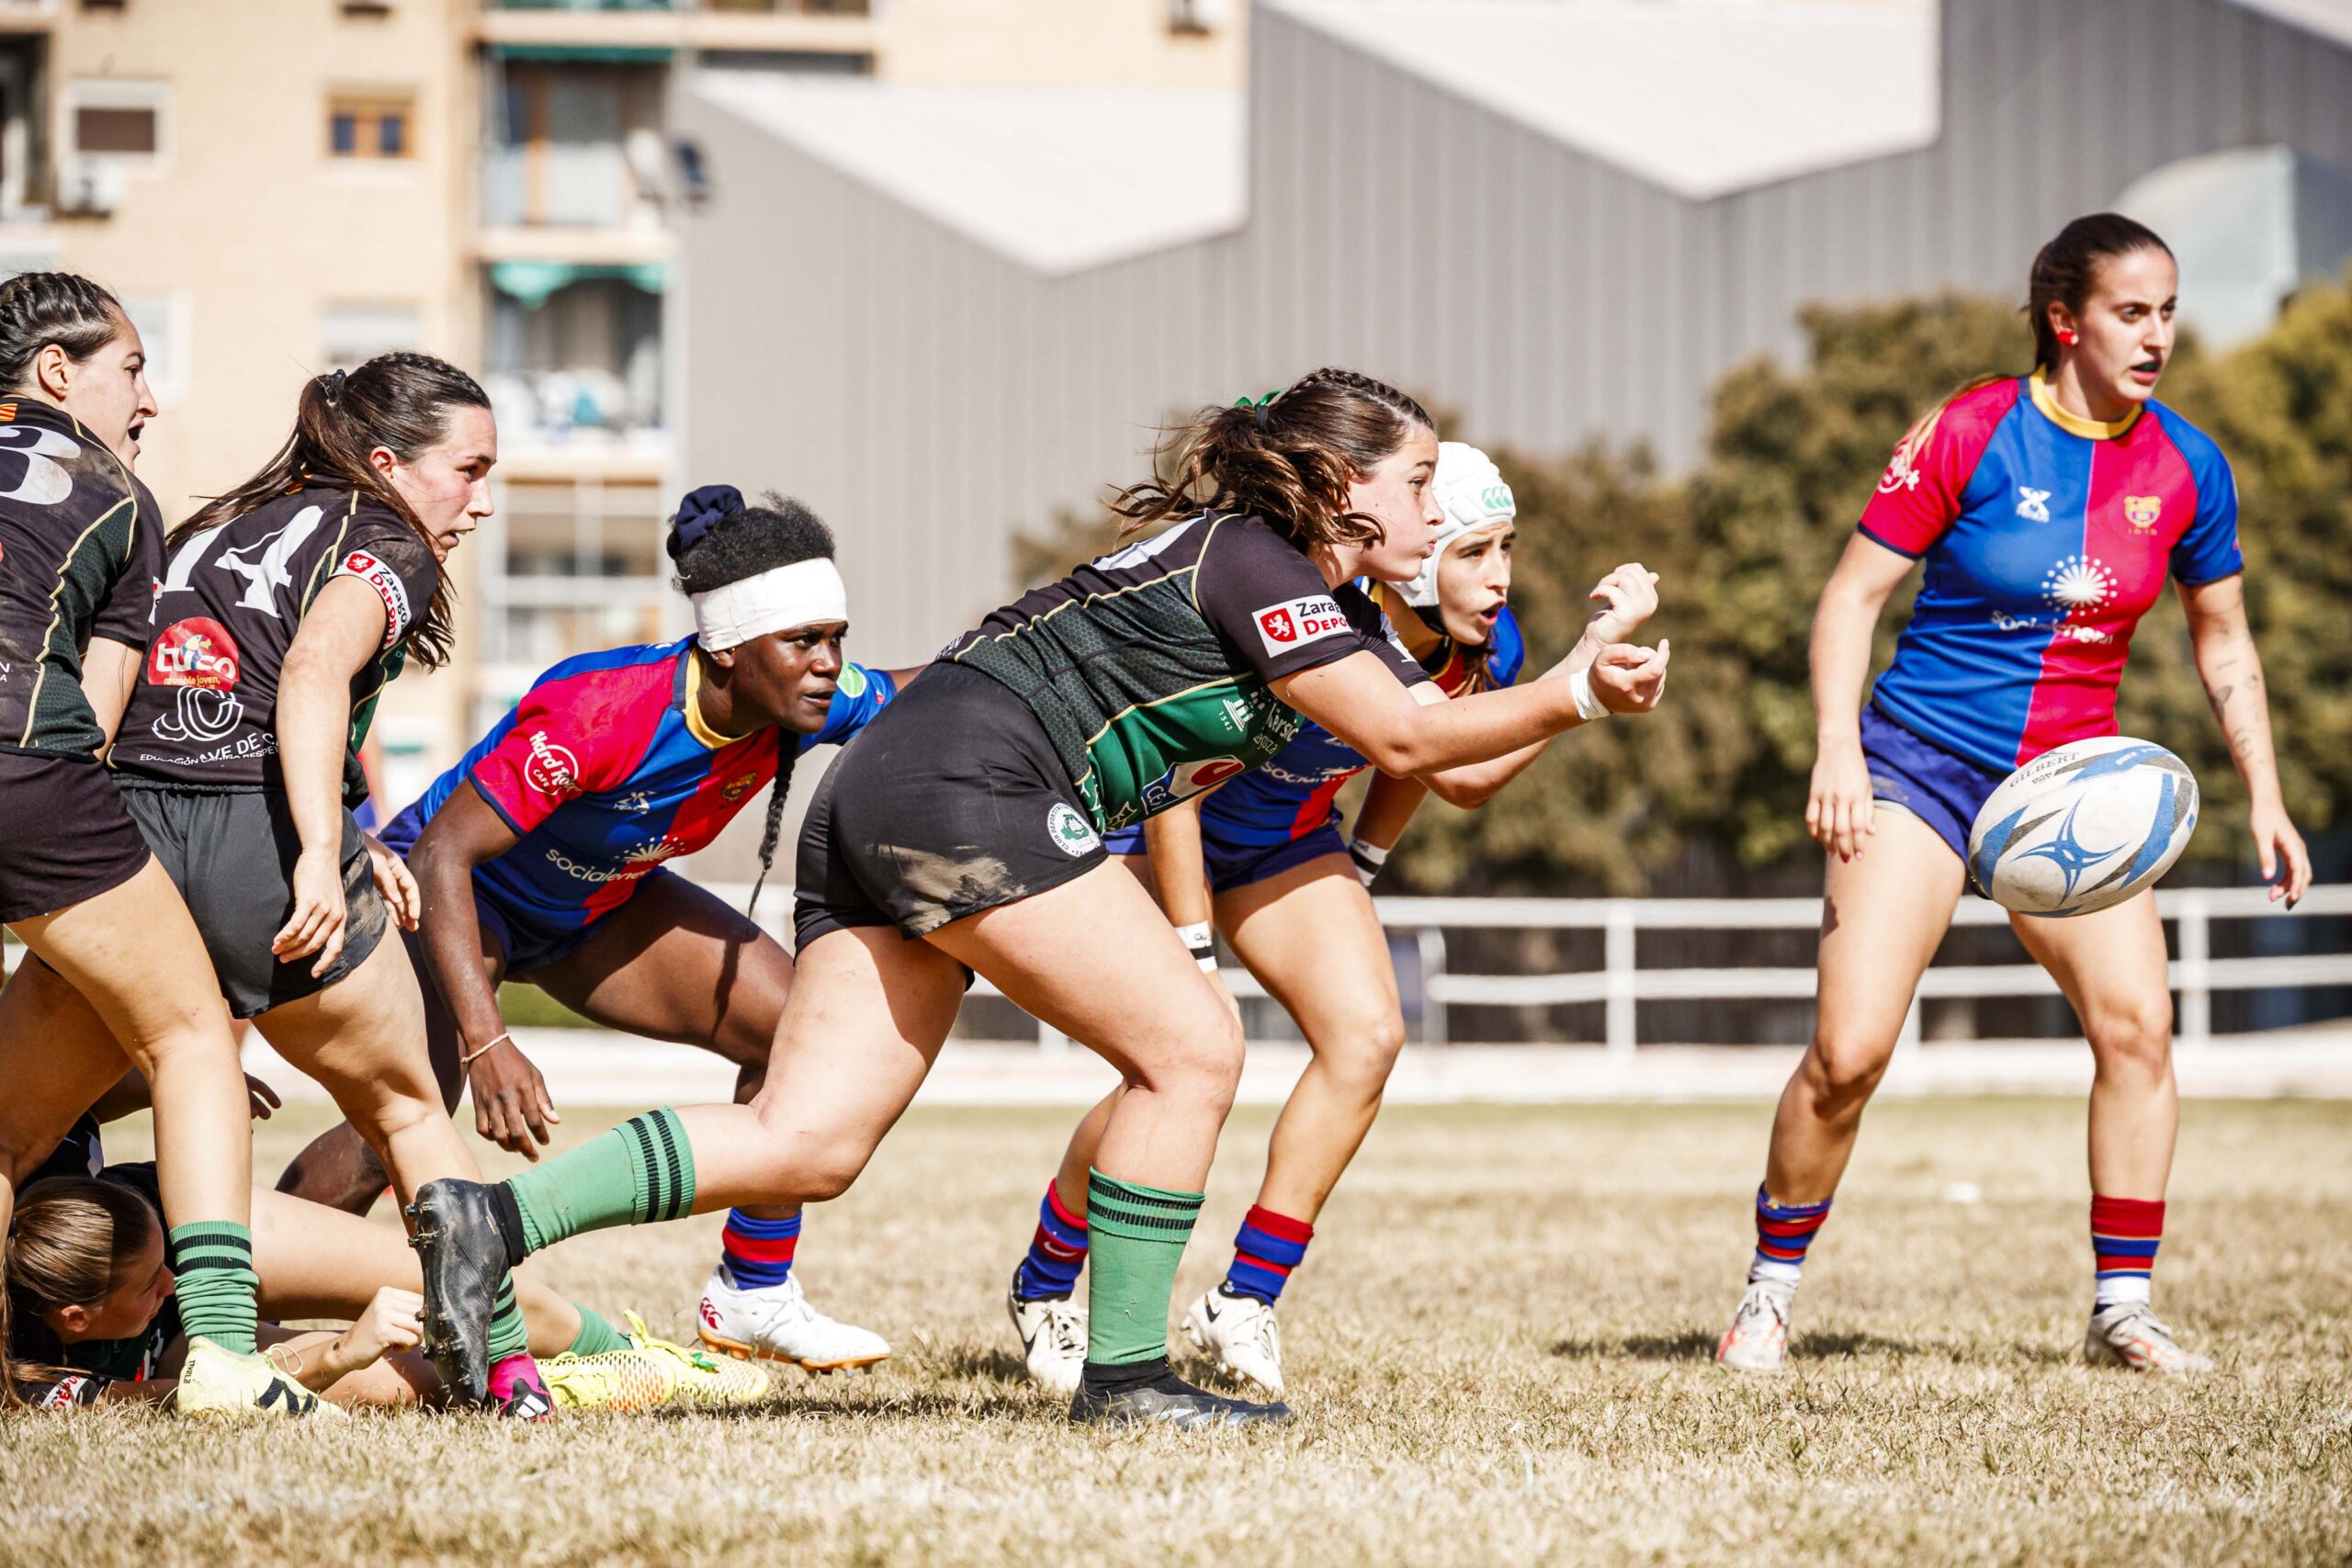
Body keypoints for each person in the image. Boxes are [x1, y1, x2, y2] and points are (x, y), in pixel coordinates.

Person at [404, 367, 1670, 1428]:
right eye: (1415, 478)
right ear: (1345, 488)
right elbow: (1401, 737)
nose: (1431, 499)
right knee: (1191, 1045)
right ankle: (1124, 1374)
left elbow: (1424, 732)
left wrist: (1544, 678)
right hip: (967, 784)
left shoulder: (1302, 586)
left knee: (809, 1140)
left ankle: (486, 1219)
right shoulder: (1259, 557)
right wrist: (1573, 691)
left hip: (893, 785)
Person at [1713, 214, 2312, 1377]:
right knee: (1847, 1053)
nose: (2156, 337)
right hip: (1916, 770)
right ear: (2064, 320)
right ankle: (1768, 1293)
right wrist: (1836, 750)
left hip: (2066, 788)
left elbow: (2224, 639)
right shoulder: (1972, 428)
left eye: (2168, 312)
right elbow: (1849, 600)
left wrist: (2269, 798)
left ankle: (2121, 1311)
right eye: (2130, 313)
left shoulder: (2189, 464)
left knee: (2139, 1031)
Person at [1003, 443, 1658, 1396]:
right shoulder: (1302, 600)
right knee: (1173, 1058)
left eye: (1506, 547)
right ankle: (1046, 1285)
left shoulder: (1490, 646)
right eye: (1475, 548)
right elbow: (1175, 786)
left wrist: (1360, 865)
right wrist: (1191, 943)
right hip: (1158, 831)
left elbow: (1440, 769)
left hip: (1284, 845)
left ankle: (1245, 1299)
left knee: (1368, 1034)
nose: (1500, 575)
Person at [278, 486, 908, 1375]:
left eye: (835, 639)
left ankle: (753, 1293)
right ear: (727, 650)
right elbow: (444, 857)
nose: (828, 664)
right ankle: (247, 1295)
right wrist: (486, 1040)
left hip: (591, 910)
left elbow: (926, 699)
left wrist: (1027, 673)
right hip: (456, 896)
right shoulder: (603, 710)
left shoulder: (797, 699)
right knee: (405, 1114)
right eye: (805, 641)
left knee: (793, 1032)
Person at [64, 350, 555, 1415]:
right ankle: (506, 1367)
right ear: (387, 462)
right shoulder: (387, 543)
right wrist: (315, 851)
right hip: (257, 849)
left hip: (121, 840)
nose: (479, 498)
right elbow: (309, 674)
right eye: (467, 470)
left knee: (18, 1128)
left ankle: (195, 1353)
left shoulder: (206, 525)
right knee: (407, 1108)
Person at [0, 270, 305, 1419]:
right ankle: (225, 1351)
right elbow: (109, 709)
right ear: (55, 372)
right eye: (132, 366)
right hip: (27, 769)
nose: (150, 396)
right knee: (189, 1034)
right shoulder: (114, 490)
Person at [6, 1089, 761, 1413]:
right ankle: (563, 1387)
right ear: (75, 1319)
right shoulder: (34, 1381)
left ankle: (624, 1351)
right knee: (393, 1385)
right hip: (144, 1345)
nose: (185, 1279)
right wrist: (339, 1351)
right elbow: (179, 1402)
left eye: (173, 1270)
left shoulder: (158, 1248)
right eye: (153, 1285)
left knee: (455, 1273)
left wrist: (186, 1080)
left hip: (159, 1209)